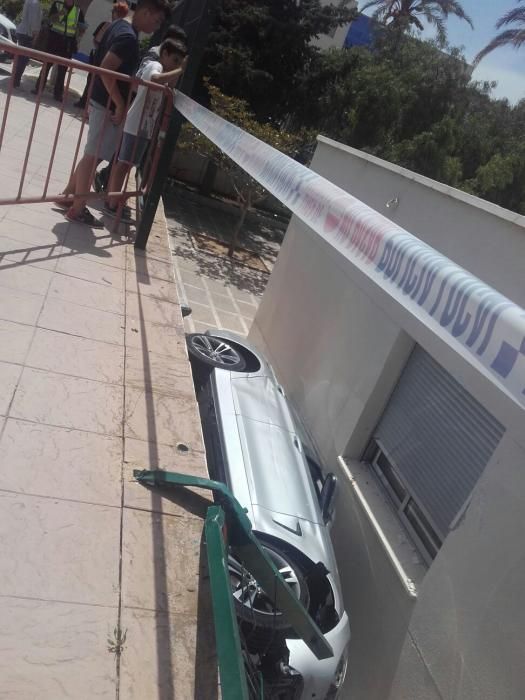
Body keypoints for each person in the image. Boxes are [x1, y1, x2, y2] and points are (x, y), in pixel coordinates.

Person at [61, 0, 170, 227]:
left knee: (93, 154)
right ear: (146, 12)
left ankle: (69, 196)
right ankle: (77, 209)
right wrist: (120, 104)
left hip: (102, 100)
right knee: (94, 156)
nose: (157, 27)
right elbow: (107, 67)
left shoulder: (119, 26)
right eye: (157, 20)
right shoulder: (128, 37)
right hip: (107, 104)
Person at [93, 22, 186, 193]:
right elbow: (149, 79)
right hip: (134, 104)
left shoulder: (163, 59)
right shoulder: (155, 58)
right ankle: (101, 186)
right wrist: (178, 70)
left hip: (138, 108)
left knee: (119, 154)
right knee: (115, 153)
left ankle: (103, 183)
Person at [74, 1, 129, 109]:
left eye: (115, 12)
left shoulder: (119, 29)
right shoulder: (107, 25)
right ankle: (85, 102)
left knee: (98, 83)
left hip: (104, 60)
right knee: (91, 81)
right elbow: (96, 39)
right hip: (98, 57)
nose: (113, 14)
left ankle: (89, 104)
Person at [32, 0, 86, 101]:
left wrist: (78, 38)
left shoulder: (78, 11)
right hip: (54, 41)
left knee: (62, 71)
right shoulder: (57, 5)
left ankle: (58, 95)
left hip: (67, 45)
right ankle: (38, 89)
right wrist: (60, 13)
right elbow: (50, 20)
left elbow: (82, 27)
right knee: (46, 66)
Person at [13, 0, 42, 88]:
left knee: (21, 58)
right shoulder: (35, 3)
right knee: (23, 59)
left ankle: (15, 80)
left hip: (24, 32)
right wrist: (35, 33)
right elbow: (32, 20)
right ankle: (16, 81)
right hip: (27, 33)